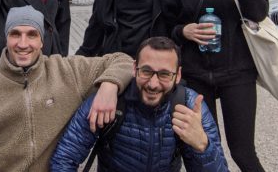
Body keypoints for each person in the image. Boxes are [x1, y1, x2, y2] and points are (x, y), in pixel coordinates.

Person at [0, 5, 134, 171]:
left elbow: (123, 60)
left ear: (42, 41)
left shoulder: (68, 72)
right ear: (6, 38)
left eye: (32, 34)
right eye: (15, 34)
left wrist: (109, 86)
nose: (23, 43)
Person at [157, 0, 267, 171]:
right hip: (195, 75)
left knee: (243, 152)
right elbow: (165, 27)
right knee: (203, 149)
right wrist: (182, 31)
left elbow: (258, 13)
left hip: (236, 71)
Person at [51, 36, 228, 171]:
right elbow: (64, 158)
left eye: (164, 74)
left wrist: (203, 146)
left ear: (178, 75)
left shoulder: (188, 105)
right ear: (134, 68)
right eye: (146, 71)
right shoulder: (111, 99)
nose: (153, 84)